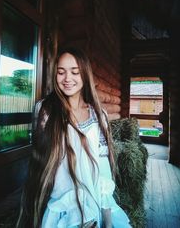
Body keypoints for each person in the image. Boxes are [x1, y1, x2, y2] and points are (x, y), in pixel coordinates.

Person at [17, 47, 132, 228]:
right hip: (61, 203)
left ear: (85, 75)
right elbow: (40, 161)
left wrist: (107, 220)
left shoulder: (97, 114)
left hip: (93, 201)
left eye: (75, 72)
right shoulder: (46, 110)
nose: (67, 79)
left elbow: (102, 169)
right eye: (61, 72)